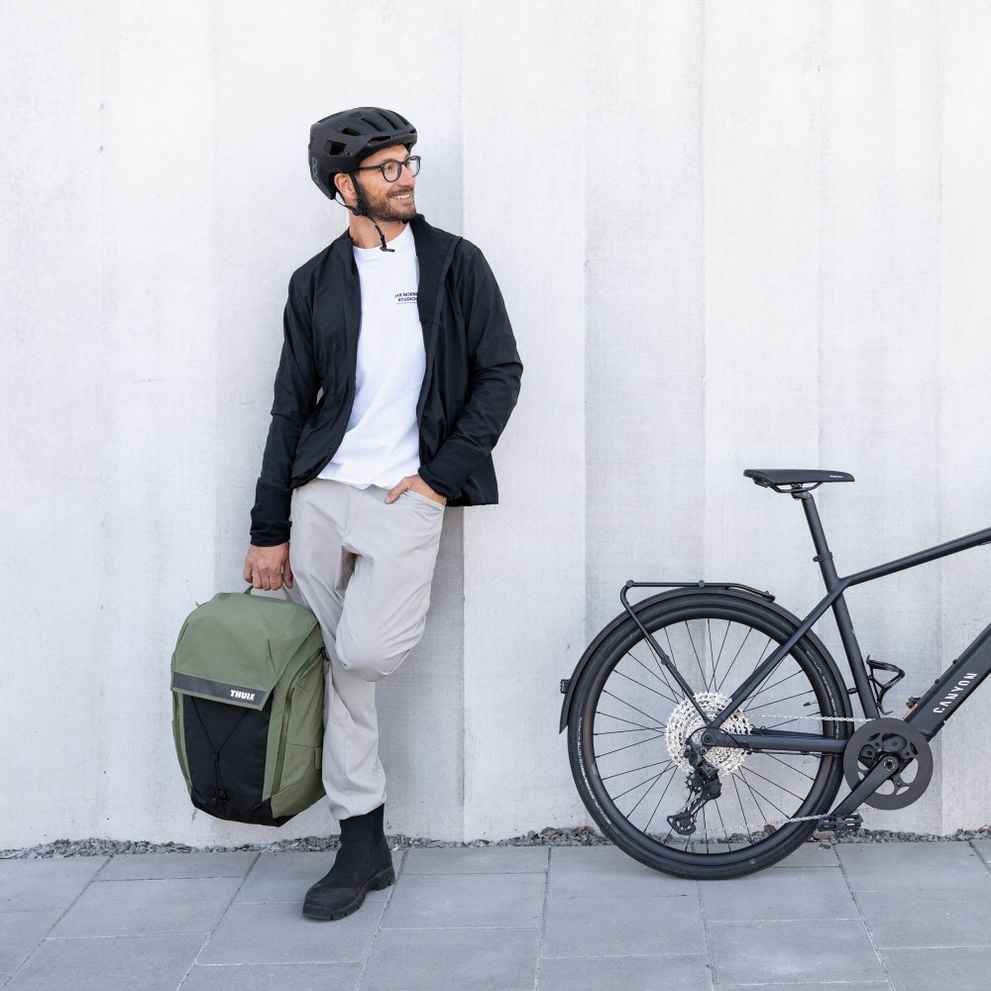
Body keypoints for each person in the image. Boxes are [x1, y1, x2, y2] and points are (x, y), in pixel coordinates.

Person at [243, 107, 522, 921]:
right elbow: (289, 409)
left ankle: (360, 838)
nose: (405, 178)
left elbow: (499, 374)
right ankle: (361, 844)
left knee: (358, 655)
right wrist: (269, 528)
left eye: (408, 163)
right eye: (387, 168)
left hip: (406, 496)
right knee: (340, 673)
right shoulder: (314, 281)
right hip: (322, 493)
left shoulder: (454, 265)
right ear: (344, 186)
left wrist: (438, 478)